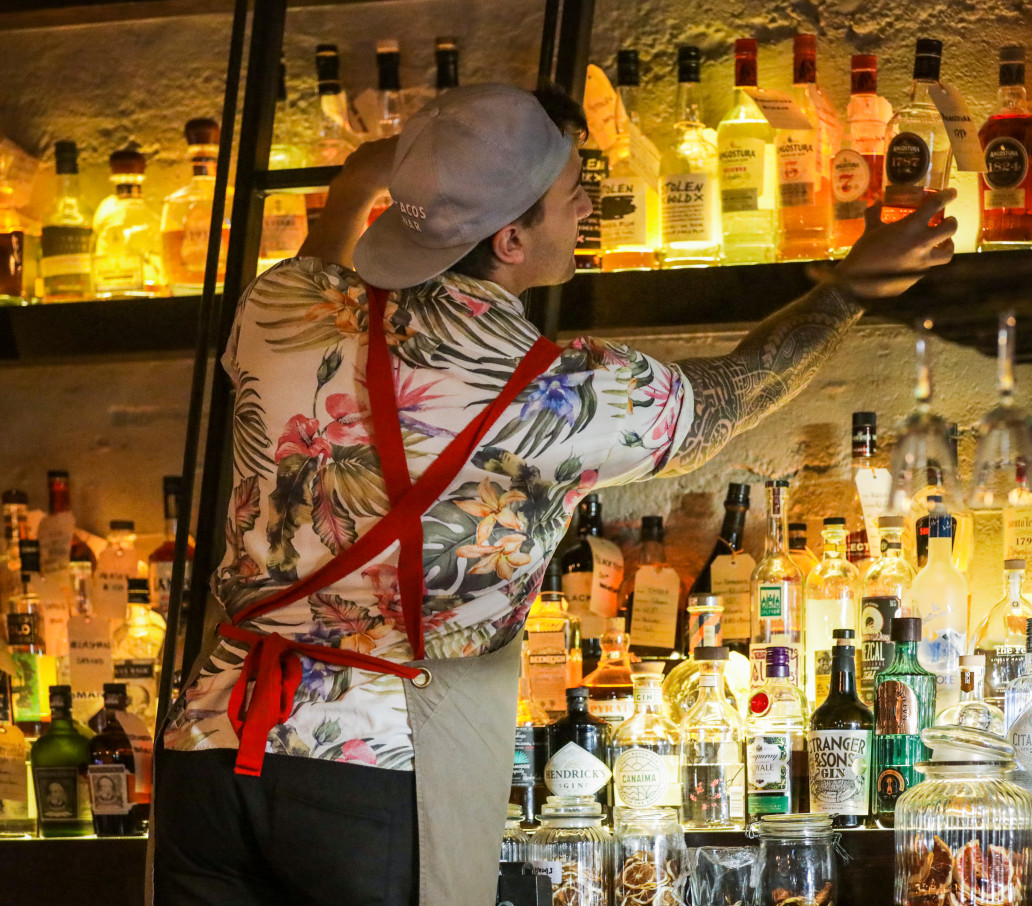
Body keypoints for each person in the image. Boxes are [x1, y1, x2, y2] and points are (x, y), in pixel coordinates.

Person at [153, 82, 956, 905]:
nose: (588, 210)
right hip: (376, 773)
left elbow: (332, 234)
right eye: (576, 196)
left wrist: (376, 174)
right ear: (509, 240)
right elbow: (741, 391)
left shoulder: (283, 306)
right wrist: (848, 291)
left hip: (209, 750)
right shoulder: (569, 394)